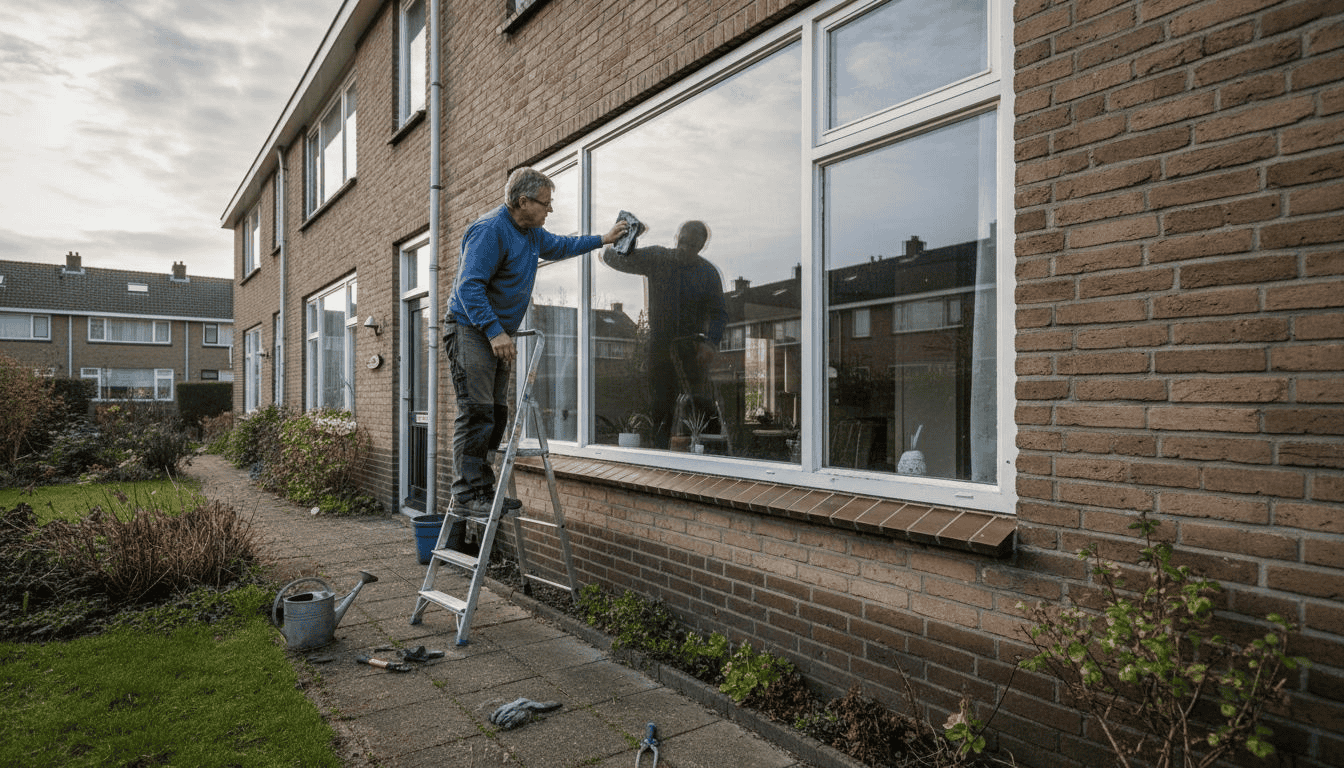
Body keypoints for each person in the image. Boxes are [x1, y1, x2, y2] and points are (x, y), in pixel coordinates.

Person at [446, 167, 628, 517]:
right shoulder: (490, 231)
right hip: (471, 329)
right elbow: (468, 286)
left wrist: (603, 239)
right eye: (545, 203)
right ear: (523, 201)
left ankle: (482, 488)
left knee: (496, 414)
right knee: (476, 411)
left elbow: (562, 245)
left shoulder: (531, 233)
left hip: (493, 333)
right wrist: (495, 331)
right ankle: (469, 494)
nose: (550, 210)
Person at [601, 220, 728, 448]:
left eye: (692, 246)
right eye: (682, 242)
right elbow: (611, 259)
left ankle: (712, 454)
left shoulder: (707, 273)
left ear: (701, 247)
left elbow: (719, 313)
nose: (684, 249)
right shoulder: (658, 258)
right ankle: (660, 454)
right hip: (660, 345)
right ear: (676, 237)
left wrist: (711, 343)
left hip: (693, 347)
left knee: (701, 405)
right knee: (661, 405)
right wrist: (625, 239)